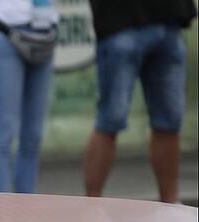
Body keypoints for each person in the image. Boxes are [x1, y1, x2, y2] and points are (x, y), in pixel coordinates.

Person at [84, 0, 196, 203]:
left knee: (169, 121)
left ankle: (171, 206)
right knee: (110, 119)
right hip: (119, 24)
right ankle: (91, 208)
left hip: (168, 22)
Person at [0, 0, 58, 193]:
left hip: (43, 34)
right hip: (6, 33)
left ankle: (21, 215)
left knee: (30, 137)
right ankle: (1, 218)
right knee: (6, 135)